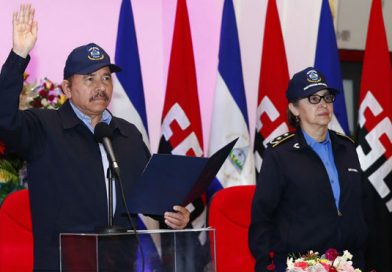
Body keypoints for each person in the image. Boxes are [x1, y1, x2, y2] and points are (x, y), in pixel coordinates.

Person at [0, 4, 190, 270]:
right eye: (89, 79)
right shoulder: (44, 128)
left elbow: (149, 196)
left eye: (106, 78)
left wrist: (174, 216)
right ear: (67, 87)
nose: (101, 87)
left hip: (123, 264)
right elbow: (4, 119)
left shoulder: (128, 134)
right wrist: (19, 55)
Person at [248, 67, 367, 271]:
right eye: (313, 99)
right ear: (294, 109)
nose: (323, 104)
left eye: (327, 97)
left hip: (349, 263)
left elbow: (360, 209)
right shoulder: (280, 154)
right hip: (301, 265)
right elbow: (262, 218)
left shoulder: (347, 148)